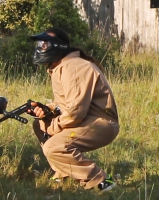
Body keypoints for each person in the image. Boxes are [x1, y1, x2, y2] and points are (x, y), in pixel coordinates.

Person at [26, 28, 120, 191]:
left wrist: (53, 126)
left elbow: (75, 111)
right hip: (87, 119)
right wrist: (46, 111)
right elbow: (66, 104)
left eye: (45, 43)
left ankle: (103, 183)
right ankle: (63, 173)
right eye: (40, 44)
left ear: (58, 46)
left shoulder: (74, 67)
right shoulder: (62, 66)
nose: (40, 47)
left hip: (100, 123)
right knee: (39, 125)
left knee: (53, 147)